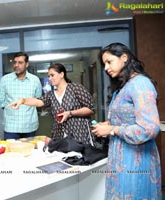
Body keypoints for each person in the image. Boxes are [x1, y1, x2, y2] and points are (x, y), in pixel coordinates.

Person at [91, 43, 161, 199]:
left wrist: (112, 130)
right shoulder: (123, 87)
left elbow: (149, 129)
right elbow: (125, 119)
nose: (106, 68)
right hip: (120, 156)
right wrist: (108, 125)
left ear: (124, 58)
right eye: (104, 64)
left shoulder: (141, 84)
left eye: (109, 62)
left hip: (136, 158)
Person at [9, 63, 95, 144]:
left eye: (52, 75)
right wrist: (23, 101)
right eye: (49, 76)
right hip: (60, 136)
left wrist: (70, 113)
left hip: (80, 135)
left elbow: (90, 109)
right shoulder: (51, 94)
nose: (50, 78)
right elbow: (38, 102)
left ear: (62, 74)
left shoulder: (76, 88)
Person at [0, 52, 42, 139]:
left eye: (20, 62)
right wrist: (13, 112)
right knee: (11, 152)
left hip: (30, 125)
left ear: (26, 64)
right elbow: (2, 103)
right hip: (11, 127)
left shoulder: (35, 80)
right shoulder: (5, 80)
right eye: (15, 62)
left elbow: (38, 100)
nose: (16, 65)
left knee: (29, 151)